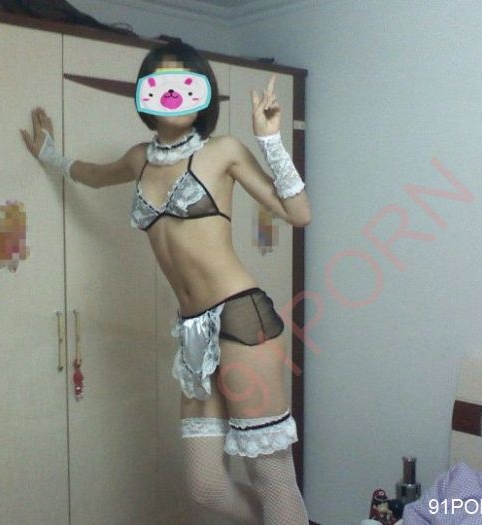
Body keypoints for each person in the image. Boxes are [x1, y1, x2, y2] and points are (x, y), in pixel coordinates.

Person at [21, 41, 311, 525]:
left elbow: (298, 214)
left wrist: (270, 139)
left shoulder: (223, 152)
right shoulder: (139, 159)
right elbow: (92, 176)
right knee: (206, 486)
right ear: (145, 94)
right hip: (193, 331)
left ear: (203, 94)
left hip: (242, 318)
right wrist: (49, 154)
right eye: (159, 82)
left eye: (184, 82)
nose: (172, 93)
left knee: (272, 478)